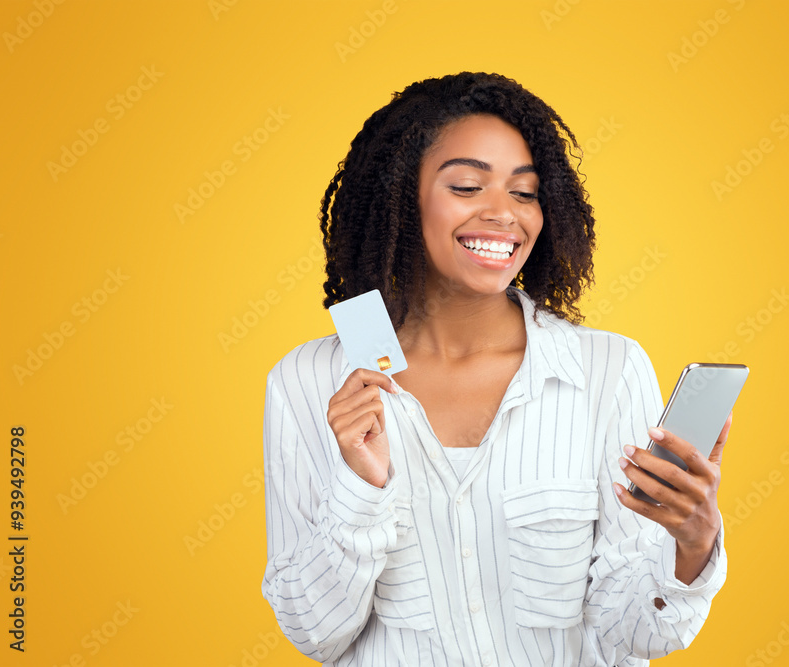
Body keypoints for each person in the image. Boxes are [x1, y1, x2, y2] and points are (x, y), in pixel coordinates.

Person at [261, 72, 731, 666]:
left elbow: (631, 634)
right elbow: (312, 632)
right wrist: (360, 490)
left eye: (525, 192)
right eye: (466, 185)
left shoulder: (608, 371)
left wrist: (691, 545)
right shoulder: (307, 383)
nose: (503, 214)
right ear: (401, 197)